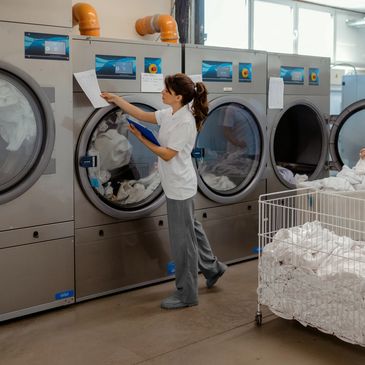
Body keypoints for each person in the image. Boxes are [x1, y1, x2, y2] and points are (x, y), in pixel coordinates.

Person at [101, 73, 227, 310]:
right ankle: (213, 268)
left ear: (178, 97)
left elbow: (168, 154)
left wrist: (142, 139)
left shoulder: (185, 122)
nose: (162, 93)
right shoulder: (170, 114)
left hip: (180, 187)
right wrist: (116, 99)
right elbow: (142, 114)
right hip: (176, 183)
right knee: (193, 230)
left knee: (183, 243)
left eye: (166, 91)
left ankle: (187, 294)